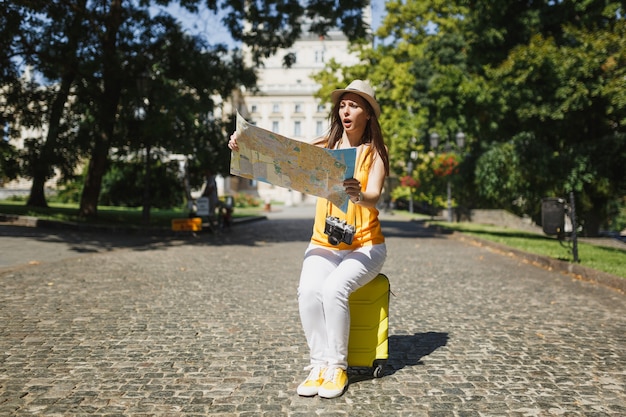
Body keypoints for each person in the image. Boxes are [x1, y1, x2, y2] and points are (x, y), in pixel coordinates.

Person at [228, 79, 389, 399]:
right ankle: (318, 365)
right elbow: (282, 151)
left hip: (366, 246)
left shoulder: (375, 153)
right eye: (343, 104)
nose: (346, 110)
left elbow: (374, 196)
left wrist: (359, 195)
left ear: (368, 114)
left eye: (355, 105)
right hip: (324, 243)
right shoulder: (325, 145)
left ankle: (337, 367)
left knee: (334, 289)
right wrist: (243, 143)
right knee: (308, 291)